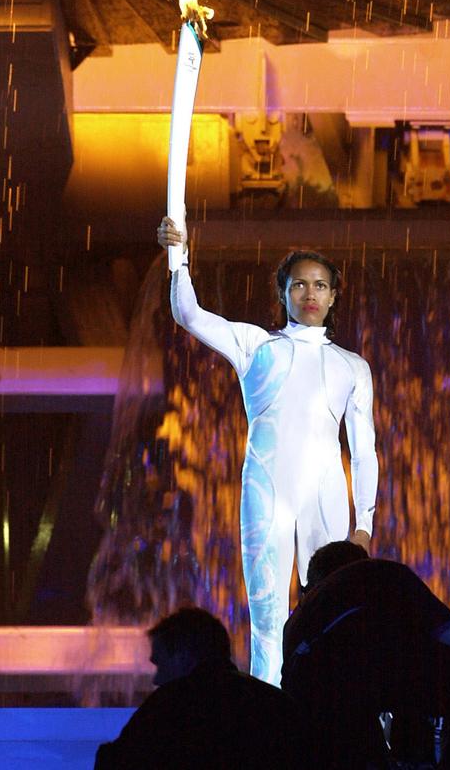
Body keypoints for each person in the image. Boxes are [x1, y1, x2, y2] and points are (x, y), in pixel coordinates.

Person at [157, 215, 379, 684]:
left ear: (334, 296)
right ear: (284, 294)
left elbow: (364, 453)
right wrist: (179, 260)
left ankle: (335, 715)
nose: (310, 294)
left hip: (328, 499)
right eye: (299, 285)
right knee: (268, 613)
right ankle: (269, 718)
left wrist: (364, 524)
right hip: (267, 491)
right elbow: (188, 314)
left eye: (320, 286)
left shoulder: (353, 367)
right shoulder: (256, 346)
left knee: (334, 616)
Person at [282, 541, 450, 770]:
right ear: (365, 563)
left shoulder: (297, 621)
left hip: (315, 705)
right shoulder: (382, 574)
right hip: (372, 682)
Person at [94, 606, 304, 770]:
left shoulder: (168, 709)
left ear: (183, 656)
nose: (156, 679)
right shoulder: (277, 705)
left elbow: (118, 761)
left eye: (159, 663)